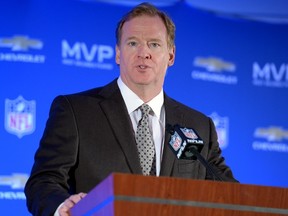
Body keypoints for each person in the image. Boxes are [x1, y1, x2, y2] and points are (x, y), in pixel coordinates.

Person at [25, 2, 238, 216]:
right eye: (133, 43)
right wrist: (63, 207)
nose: (143, 53)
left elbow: (230, 193)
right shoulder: (75, 111)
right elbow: (43, 182)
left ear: (171, 56)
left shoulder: (198, 126)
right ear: (118, 53)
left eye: (154, 44)